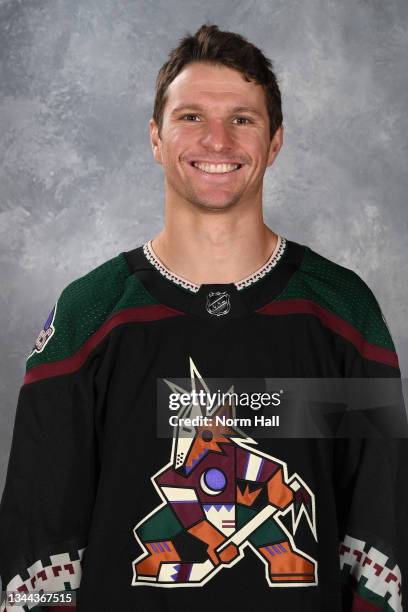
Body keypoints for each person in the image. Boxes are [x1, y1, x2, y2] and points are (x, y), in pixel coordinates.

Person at [0, 23, 406, 612]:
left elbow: (380, 535)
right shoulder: (88, 316)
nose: (217, 140)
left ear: (275, 142)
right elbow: (37, 548)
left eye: (242, 118)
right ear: (155, 139)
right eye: (191, 117)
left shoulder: (344, 312)